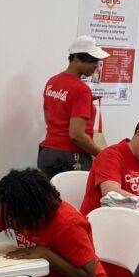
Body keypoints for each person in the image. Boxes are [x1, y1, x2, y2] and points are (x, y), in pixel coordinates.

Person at [37, 36, 109, 178]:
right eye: (92, 60)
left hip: (48, 154)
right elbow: (76, 135)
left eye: (97, 61)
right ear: (76, 58)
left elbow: (49, 117)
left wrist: (85, 100)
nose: (96, 65)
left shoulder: (53, 81)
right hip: (71, 158)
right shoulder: (81, 90)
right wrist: (101, 154)